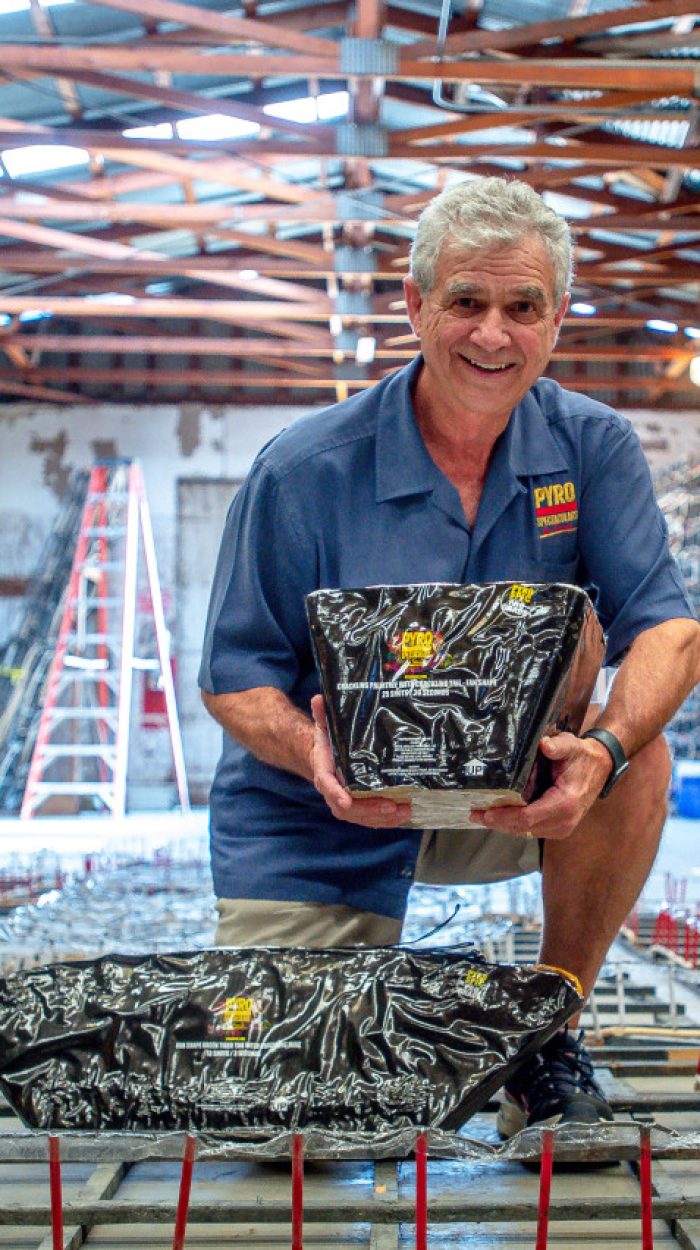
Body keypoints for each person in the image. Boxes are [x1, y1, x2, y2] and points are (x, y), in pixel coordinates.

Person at [199, 175, 699, 1137]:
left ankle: (545, 1037)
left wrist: (603, 748)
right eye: (466, 302)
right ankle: (332, 1028)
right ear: (417, 306)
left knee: (637, 763)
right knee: (282, 1132)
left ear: (556, 319)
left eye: (523, 307)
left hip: (505, 791)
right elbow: (235, 679)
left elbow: (669, 631)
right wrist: (314, 755)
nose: (492, 335)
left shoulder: (591, 450)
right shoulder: (303, 471)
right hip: (315, 809)